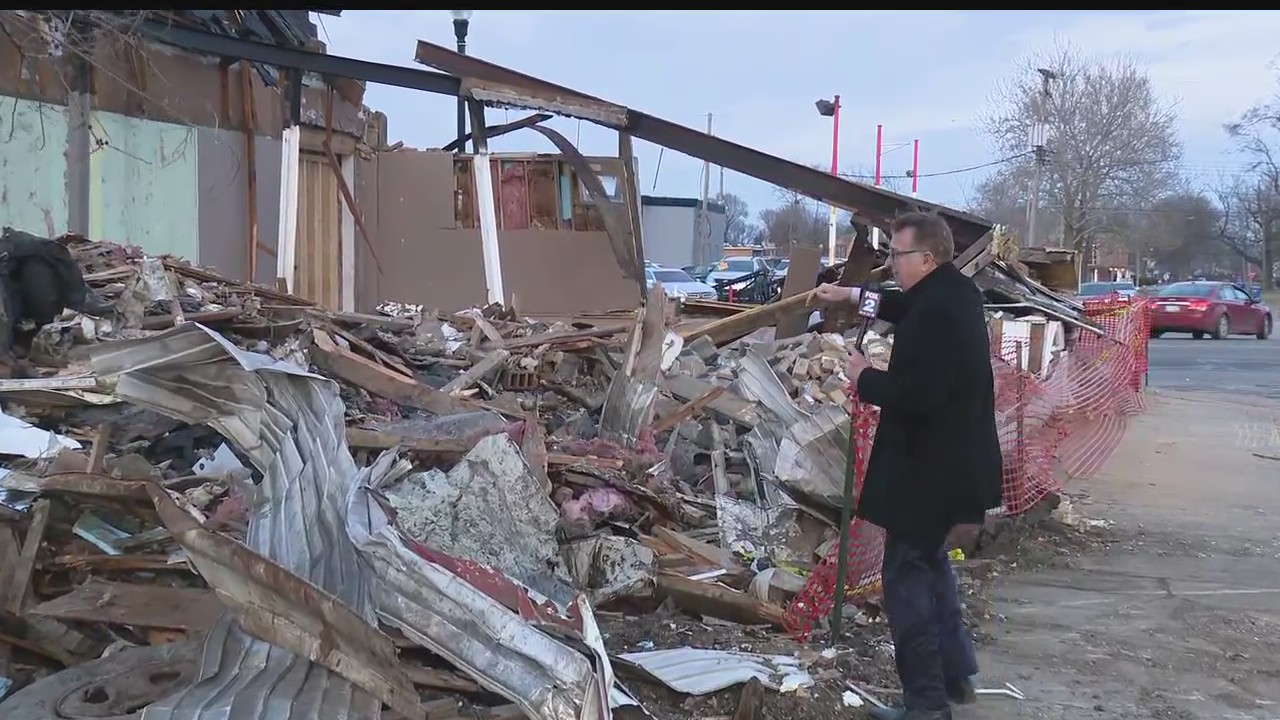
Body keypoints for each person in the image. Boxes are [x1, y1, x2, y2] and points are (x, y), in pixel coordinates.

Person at [810, 212, 1003, 720]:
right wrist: (850, 297)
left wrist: (864, 377)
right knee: (931, 566)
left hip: (930, 471)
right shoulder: (951, 293)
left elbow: (919, 397)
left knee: (905, 578)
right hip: (949, 466)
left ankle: (926, 702)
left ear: (927, 257)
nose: (889, 263)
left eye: (896, 254)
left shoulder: (937, 310)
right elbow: (902, 305)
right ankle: (955, 677)